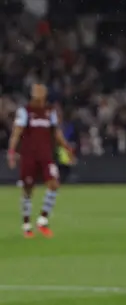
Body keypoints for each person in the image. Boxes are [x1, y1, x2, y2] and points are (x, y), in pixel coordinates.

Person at [7, 84, 74, 238]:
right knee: (28, 190)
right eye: (36, 91)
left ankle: (42, 221)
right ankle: (26, 225)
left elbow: (56, 133)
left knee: (54, 184)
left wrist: (67, 148)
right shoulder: (25, 112)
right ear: (32, 94)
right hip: (29, 156)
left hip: (46, 156)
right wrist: (11, 152)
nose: (38, 94)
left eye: (41, 91)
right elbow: (16, 133)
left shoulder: (50, 112)